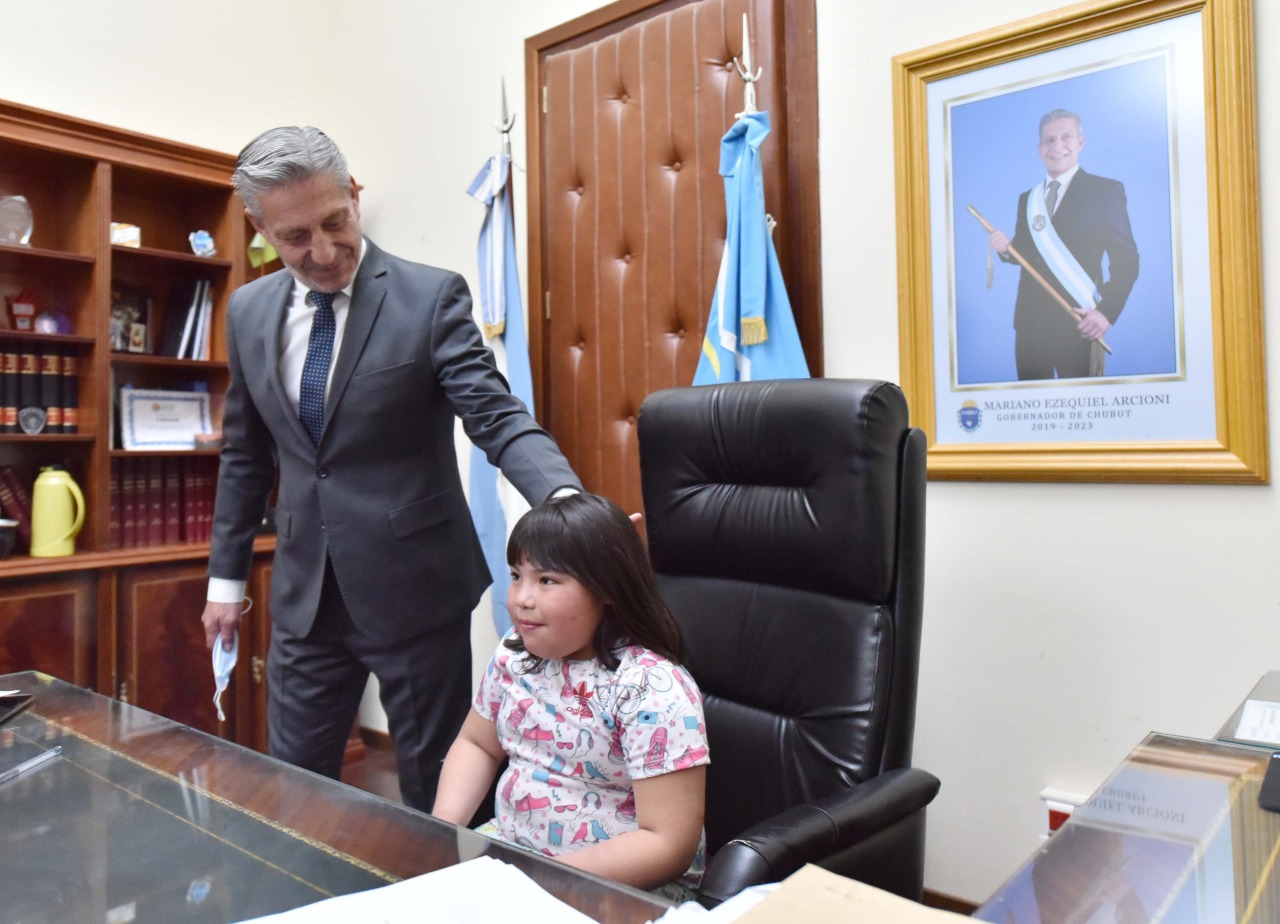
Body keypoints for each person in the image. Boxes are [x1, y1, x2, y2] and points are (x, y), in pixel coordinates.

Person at [201, 126, 581, 811]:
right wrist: (226, 582)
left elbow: (494, 415)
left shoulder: (429, 298)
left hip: (416, 591)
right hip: (304, 598)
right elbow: (245, 455)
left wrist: (566, 501)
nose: (321, 252)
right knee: (293, 789)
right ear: (259, 227)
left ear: (353, 194)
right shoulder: (248, 311)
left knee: (441, 798)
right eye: (294, 237)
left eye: (334, 222)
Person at [432, 493, 709, 899]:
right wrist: (442, 833)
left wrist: (537, 881)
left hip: (620, 886)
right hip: (516, 858)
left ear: (606, 588)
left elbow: (667, 843)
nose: (521, 598)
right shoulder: (515, 652)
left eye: (547, 580)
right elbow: (477, 744)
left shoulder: (651, 688)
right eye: (516, 575)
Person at [988, 108, 1139, 380]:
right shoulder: (1028, 199)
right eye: (1049, 140)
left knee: (1083, 415)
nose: (1057, 146)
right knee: (1032, 412)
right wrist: (1005, 249)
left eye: (1065, 137)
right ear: (1039, 149)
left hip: (1079, 323)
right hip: (1030, 325)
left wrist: (1106, 313)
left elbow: (1127, 261)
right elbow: (1028, 251)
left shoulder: (1105, 191)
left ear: (1080, 142)